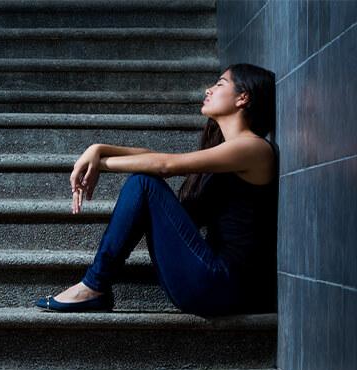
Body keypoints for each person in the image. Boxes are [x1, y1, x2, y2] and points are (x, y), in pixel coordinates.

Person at [35, 63, 278, 317]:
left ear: (243, 97)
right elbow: (157, 157)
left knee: (144, 183)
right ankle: (94, 286)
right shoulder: (227, 151)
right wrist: (98, 149)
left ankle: (94, 285)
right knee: (144, 181)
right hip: (213, 284)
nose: (208, 89)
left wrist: (101, 164)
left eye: (219, 84)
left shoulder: (254, 149)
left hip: (225, 287)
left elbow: (164, 165)